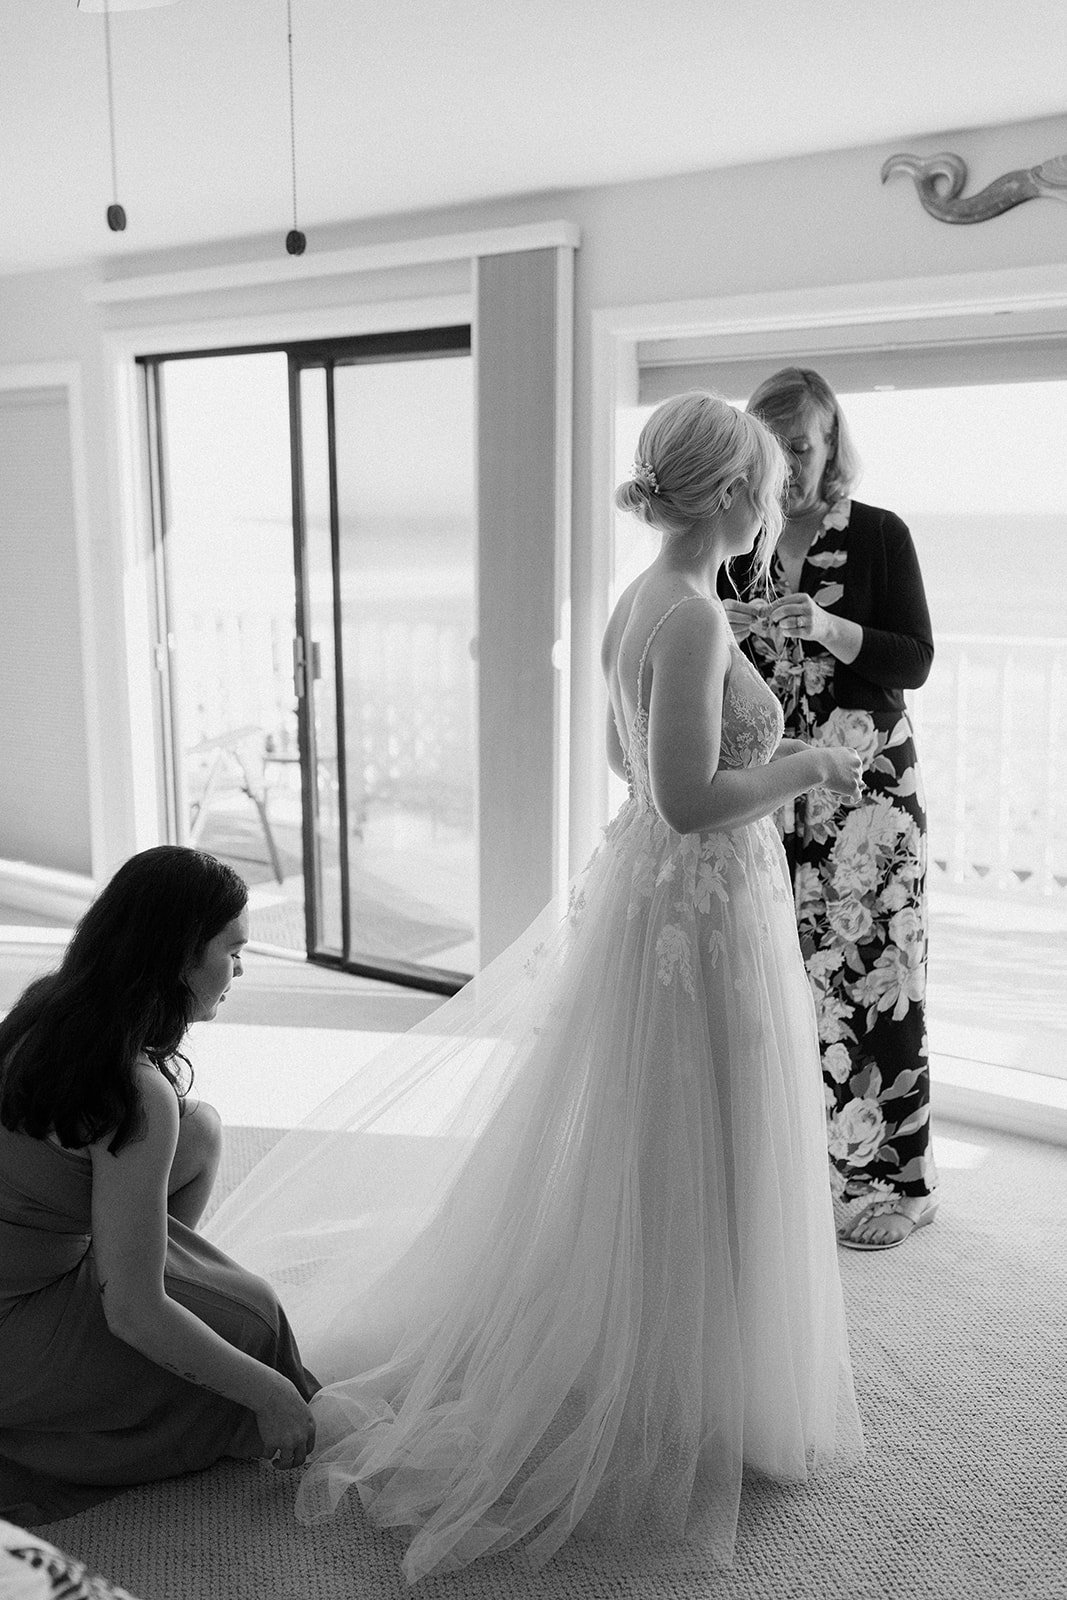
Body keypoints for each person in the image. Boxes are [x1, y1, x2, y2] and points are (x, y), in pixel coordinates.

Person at [205, 391, 865, 1585]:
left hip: (661, 897)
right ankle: (662, 1382)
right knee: (694, 1131)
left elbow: (635, 759)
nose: (779, 503)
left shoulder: (648, 597)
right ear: (728, 496)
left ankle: (677, 1357)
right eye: (766, 487)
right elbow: (684, 797)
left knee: (658, 1130)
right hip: (697, 893)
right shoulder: (689, 623)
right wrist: (807, 762)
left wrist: (735, 649)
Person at [0, 846, 318, 1525]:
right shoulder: (133, 1092)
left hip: (24, 1263)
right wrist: (270, 1396)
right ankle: (55, 1422)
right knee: (254, 1329)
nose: (238, 970)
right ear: (178, 958)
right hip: (12, 1331)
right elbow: (134, 1314)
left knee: (201, 1129)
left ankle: (125, 1289)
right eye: (232, 951)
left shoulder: (46, 1007)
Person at [717, 367, 938, 1250]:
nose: (792, 469)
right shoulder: (740, 543)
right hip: (774, 793)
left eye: (802, 449)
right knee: (787, 977)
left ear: (832, 442)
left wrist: (828, 628)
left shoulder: (879, 535)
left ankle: (898, 1183)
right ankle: (804, 1169)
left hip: (871, 797)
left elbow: (913, 657)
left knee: (880, 982)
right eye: (774, 454)